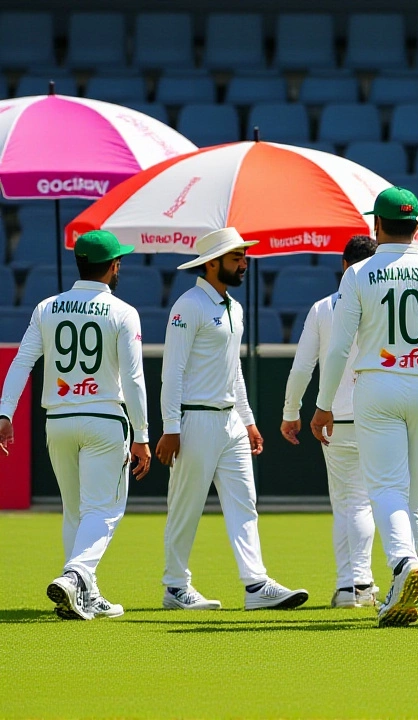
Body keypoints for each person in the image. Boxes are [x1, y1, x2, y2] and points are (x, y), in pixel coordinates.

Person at [310, 187, 418, 627]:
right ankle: (406, 588)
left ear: (376, 226)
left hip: (377, 385)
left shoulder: (358, 274)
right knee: (415, 496)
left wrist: (323, 404)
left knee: (384, 488)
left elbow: (339, 348)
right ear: (417, 228)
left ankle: (404, 564)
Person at [0, 231, 151, 620]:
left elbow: (22, 362)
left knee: (75, 511)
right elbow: (133, 379)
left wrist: (5, 413)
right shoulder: (123, 311)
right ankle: (76, 575)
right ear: (114, 266)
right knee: (104, 511)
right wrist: (142, 434)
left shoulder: (46, 307)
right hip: (104, 419)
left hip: (59, 420)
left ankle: (86, 595)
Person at [158, 228, 307, 611]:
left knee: (245, 503)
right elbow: (172, 371)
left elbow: (233, 369)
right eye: (236, 257)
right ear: (212, 263)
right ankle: (175, 586)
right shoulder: (188, 305)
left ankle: (256, 584)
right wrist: (171, 427)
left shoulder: (233, 308)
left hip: (230, 424)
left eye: (244, 257)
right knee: (185, 507)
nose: (244, 264)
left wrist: (248, 420)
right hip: (194, 421)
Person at [281, 235, 379, 609]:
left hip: (335, 416)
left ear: (343, 264)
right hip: (381, 414)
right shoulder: (383, 302)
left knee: (348, 503)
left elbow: (301, 367)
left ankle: (349, 585)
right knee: (370, 503)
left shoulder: (323, 307)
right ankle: (361, 584)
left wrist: (291, 412)